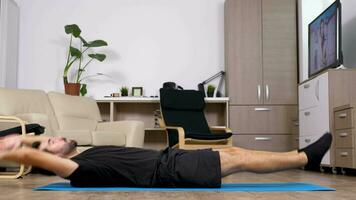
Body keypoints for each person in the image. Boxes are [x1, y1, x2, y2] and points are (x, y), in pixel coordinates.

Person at [0, 132, 332, 188]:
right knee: (240, 157)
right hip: (171, 171)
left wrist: (29, 139)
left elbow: (37, 147)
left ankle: (302, 157)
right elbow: (32, 155)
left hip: (170, 159)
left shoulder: (82, 152)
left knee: (234, 152)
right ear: (50, 160)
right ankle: (304, 157)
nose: (55, 138)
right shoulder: (76, 171)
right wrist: (15, 149)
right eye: (50, 143)